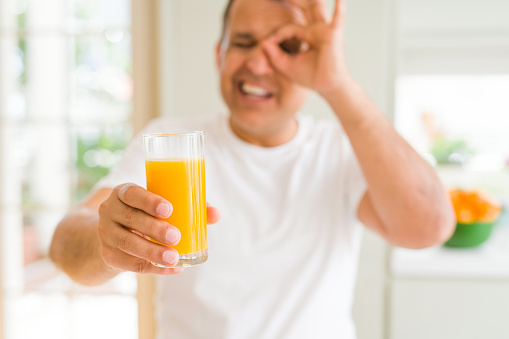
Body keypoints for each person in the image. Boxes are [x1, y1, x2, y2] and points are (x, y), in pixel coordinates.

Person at [50, 0, 455, 338]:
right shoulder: (172, 143)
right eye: (244, 42)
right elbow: (66, 247)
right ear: (219, 55)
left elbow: (429, 227)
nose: (259, 65)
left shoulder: (342, 150)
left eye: (289, 48)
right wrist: (108, 241)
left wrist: (339, 85)